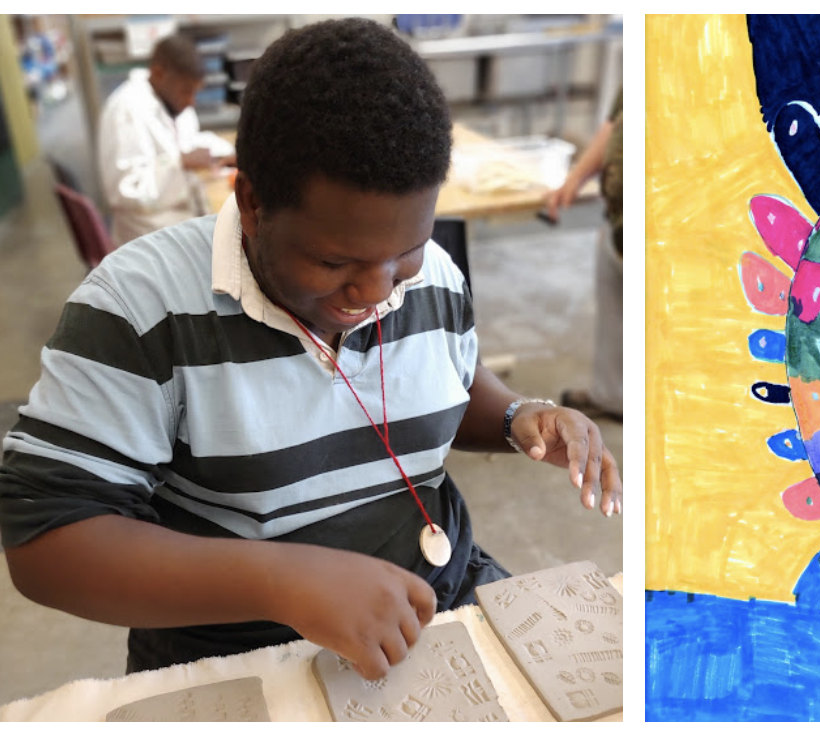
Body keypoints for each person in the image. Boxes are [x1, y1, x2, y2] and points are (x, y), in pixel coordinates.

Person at [1, 18, 621, 681]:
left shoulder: (433, 274)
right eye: (334, 261)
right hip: (240, 648)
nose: (378, 291)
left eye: (404, 252)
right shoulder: (137, 307)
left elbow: (445, 379)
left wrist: (515, 416)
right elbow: (47, 541)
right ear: (252, 203)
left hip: (440, 598)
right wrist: (277, 581)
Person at [96, 34, 227, 246]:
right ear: (158, 73)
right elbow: (124, 191)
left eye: (195, 92)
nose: (191, 101)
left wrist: (219, 153)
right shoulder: (127, 110)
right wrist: (180, 162)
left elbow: (185, 142)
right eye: (186, 91)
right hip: (148, 235)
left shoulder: (171, 102)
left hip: (178, 216)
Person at [545, 88, 622, 420]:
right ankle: (612, 395)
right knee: (615, 304)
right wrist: (576, 177)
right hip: (620, 217)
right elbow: (616, 123)